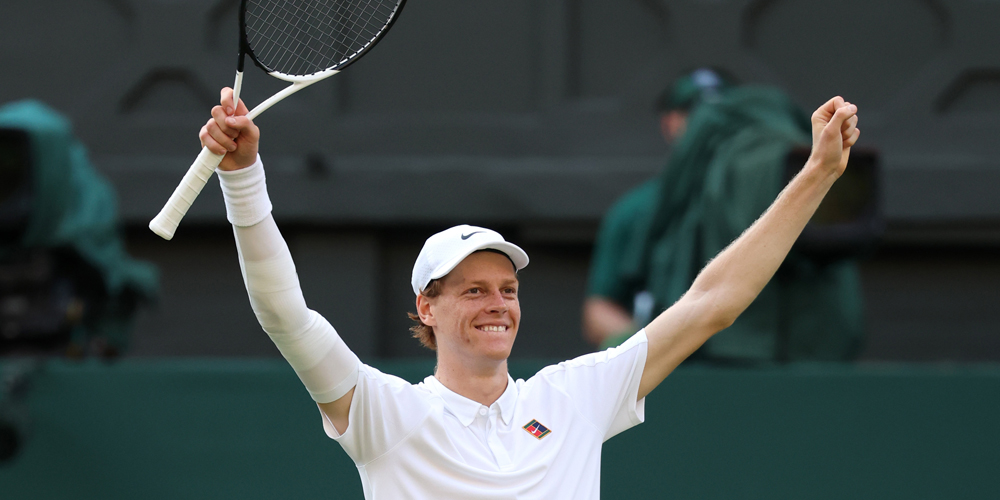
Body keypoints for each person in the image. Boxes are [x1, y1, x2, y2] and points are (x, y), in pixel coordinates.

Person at [198, 86, 859, 499]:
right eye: (473, 290)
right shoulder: (384, 414)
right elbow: (284, 315)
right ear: (428, 307)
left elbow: (713, 302)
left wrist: (817, 175)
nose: (498, 304)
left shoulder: (572, 398)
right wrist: (243, 178)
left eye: (508, 289)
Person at [583, 69, 864, 361]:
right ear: (669, 123)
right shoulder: (639, 208)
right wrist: (640, 352)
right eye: (698, 116)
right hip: (691, 377)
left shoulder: (786, 185)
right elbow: (599, 310)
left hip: (802, 372)